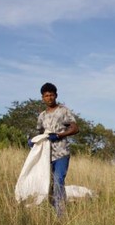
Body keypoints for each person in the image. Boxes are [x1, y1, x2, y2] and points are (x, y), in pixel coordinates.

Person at [31, 83, 79, 216]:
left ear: (56, 95)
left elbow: (75, 128)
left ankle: (61, 215)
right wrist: (33, 141)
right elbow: (40, 133)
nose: (49, 98)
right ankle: (53, 211)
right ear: (42, 98)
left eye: (51, 95)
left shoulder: (63, 111)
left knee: (58, 180)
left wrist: (59, 135)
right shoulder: (42, 116)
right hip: (46, 155)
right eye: (46, 95)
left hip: (61, 153)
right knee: (48, 184)